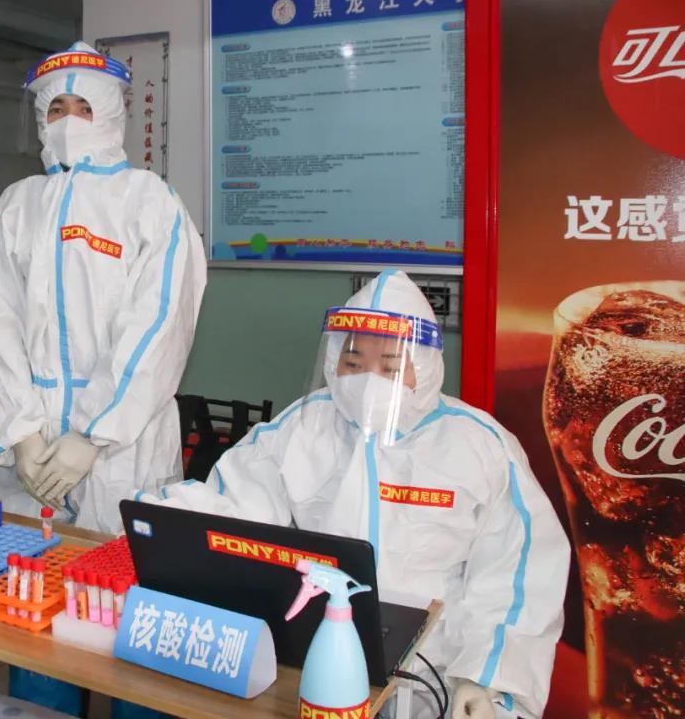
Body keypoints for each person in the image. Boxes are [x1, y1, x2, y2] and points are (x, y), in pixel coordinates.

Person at [139, 270, 569, 719]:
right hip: (318, 649)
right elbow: (235, 505)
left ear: (424, 367)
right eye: (354, 362)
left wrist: (485, 676)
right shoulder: (305, 425)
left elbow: (519, 572)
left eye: (389, 366)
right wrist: (162, 517)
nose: (368, 381)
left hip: (435, 672)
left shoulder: (478, 445)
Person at [0, 41, 206, 536]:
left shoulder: (149, 201)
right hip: (31, 452)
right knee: (24, 569)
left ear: (110, 114)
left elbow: (158, 328)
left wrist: (93, 435)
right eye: (56, 108)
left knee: (114, 570)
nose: (68, 121)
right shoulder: (18, 205)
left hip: (120, 451)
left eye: (84, 108)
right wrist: (19, 434)